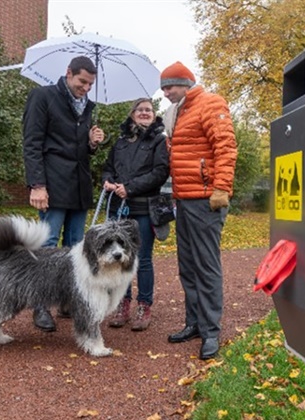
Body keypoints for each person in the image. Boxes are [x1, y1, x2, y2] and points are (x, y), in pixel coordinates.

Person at [160, 61, 237, 360]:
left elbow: (226, 146)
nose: (166, 92)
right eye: (164, 87)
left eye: (171, 86)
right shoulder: (178, 113)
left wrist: (221, 189)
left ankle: (211, 331)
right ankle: (193, 323)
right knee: (188, 266)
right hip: (184, 199)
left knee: (206, 266)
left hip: (206, 200)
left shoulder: (209, 103)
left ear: (186, 83)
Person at [23, 55, 105, 332]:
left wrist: (92, 145)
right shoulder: (43, 97)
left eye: (90, 84)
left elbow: (79, 148)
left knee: (76, 248)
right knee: (46, 247)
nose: (86, 88)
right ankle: (40, 304)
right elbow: (32, 143)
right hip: (52, 184)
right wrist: (37, 185)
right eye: (82, 81)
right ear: (69, 73)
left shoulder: (87, 107)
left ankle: (68, 299)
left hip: (79, 186)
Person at [102, 98, 170, 331]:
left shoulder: (160, 141)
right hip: (117, 208)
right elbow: (108, 167)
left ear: (153, 115)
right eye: (140, 110)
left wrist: (130, 187)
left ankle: (144, 305)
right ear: (132, 114)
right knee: (119, 259)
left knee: (142, 259)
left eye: (148, 110)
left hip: (143, 207)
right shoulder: (120, 142)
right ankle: (122, 304)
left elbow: (160, 172)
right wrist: (108, 182)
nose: (144, 113)